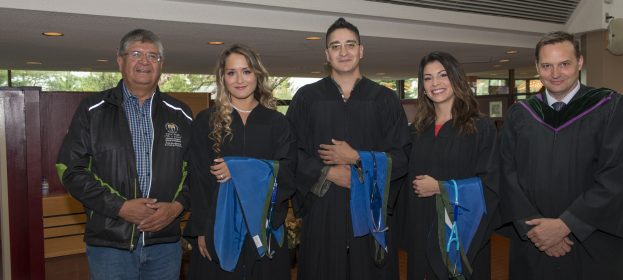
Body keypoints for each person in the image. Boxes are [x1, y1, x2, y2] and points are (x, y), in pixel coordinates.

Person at [499, 31, 623, 279]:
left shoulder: (611, 107)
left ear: (579, 62)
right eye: (547, 66)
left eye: (564, 64)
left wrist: (567, 224)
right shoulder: (520, 114)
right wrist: (534, 228)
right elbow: (505, 174)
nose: (555, 73)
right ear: (537, 67)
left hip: (594, 240)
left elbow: (619, 174)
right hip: (535, 241)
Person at [56, 29, 192, 279]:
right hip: (110, 245)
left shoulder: (181, 114)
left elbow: (195, 171)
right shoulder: (92, 110)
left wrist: (176, 208)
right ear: (120, 60)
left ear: (161, 65)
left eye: (153, 56)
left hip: (165, 244)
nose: (145, 61)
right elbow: (70, 169)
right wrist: (120, 207)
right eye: (136, 53)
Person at [286, 17, 410, 280]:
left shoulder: (384, 99)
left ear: (361, 50)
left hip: (369, 203)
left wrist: (358, 161)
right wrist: (326, 173)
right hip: (323, 206)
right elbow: (289, 151)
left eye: (350, 45)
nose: (343, 52)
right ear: (327, 54)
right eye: (336, 46)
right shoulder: (307, 98)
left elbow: (403, 156)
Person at [183, 44, 296, 280]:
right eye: (231, 72)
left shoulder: (277, 123)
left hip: (265, 226)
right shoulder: (206, 121)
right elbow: (198, 179)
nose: (239, 80)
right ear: (222, 78)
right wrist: (202, 230)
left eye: (246, 71)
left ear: (257, 74)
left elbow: (288, 173)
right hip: (219, 228)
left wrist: (239, 168)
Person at [403, 52, 499, 280]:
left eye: (442, 75)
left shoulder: (480, 128)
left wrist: (441, 188)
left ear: (456, 79)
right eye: (427, 78)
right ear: (422, 87)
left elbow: (492, 183)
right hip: (421, 228)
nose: (435, 83)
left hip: (462, 234)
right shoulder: (417, 131)